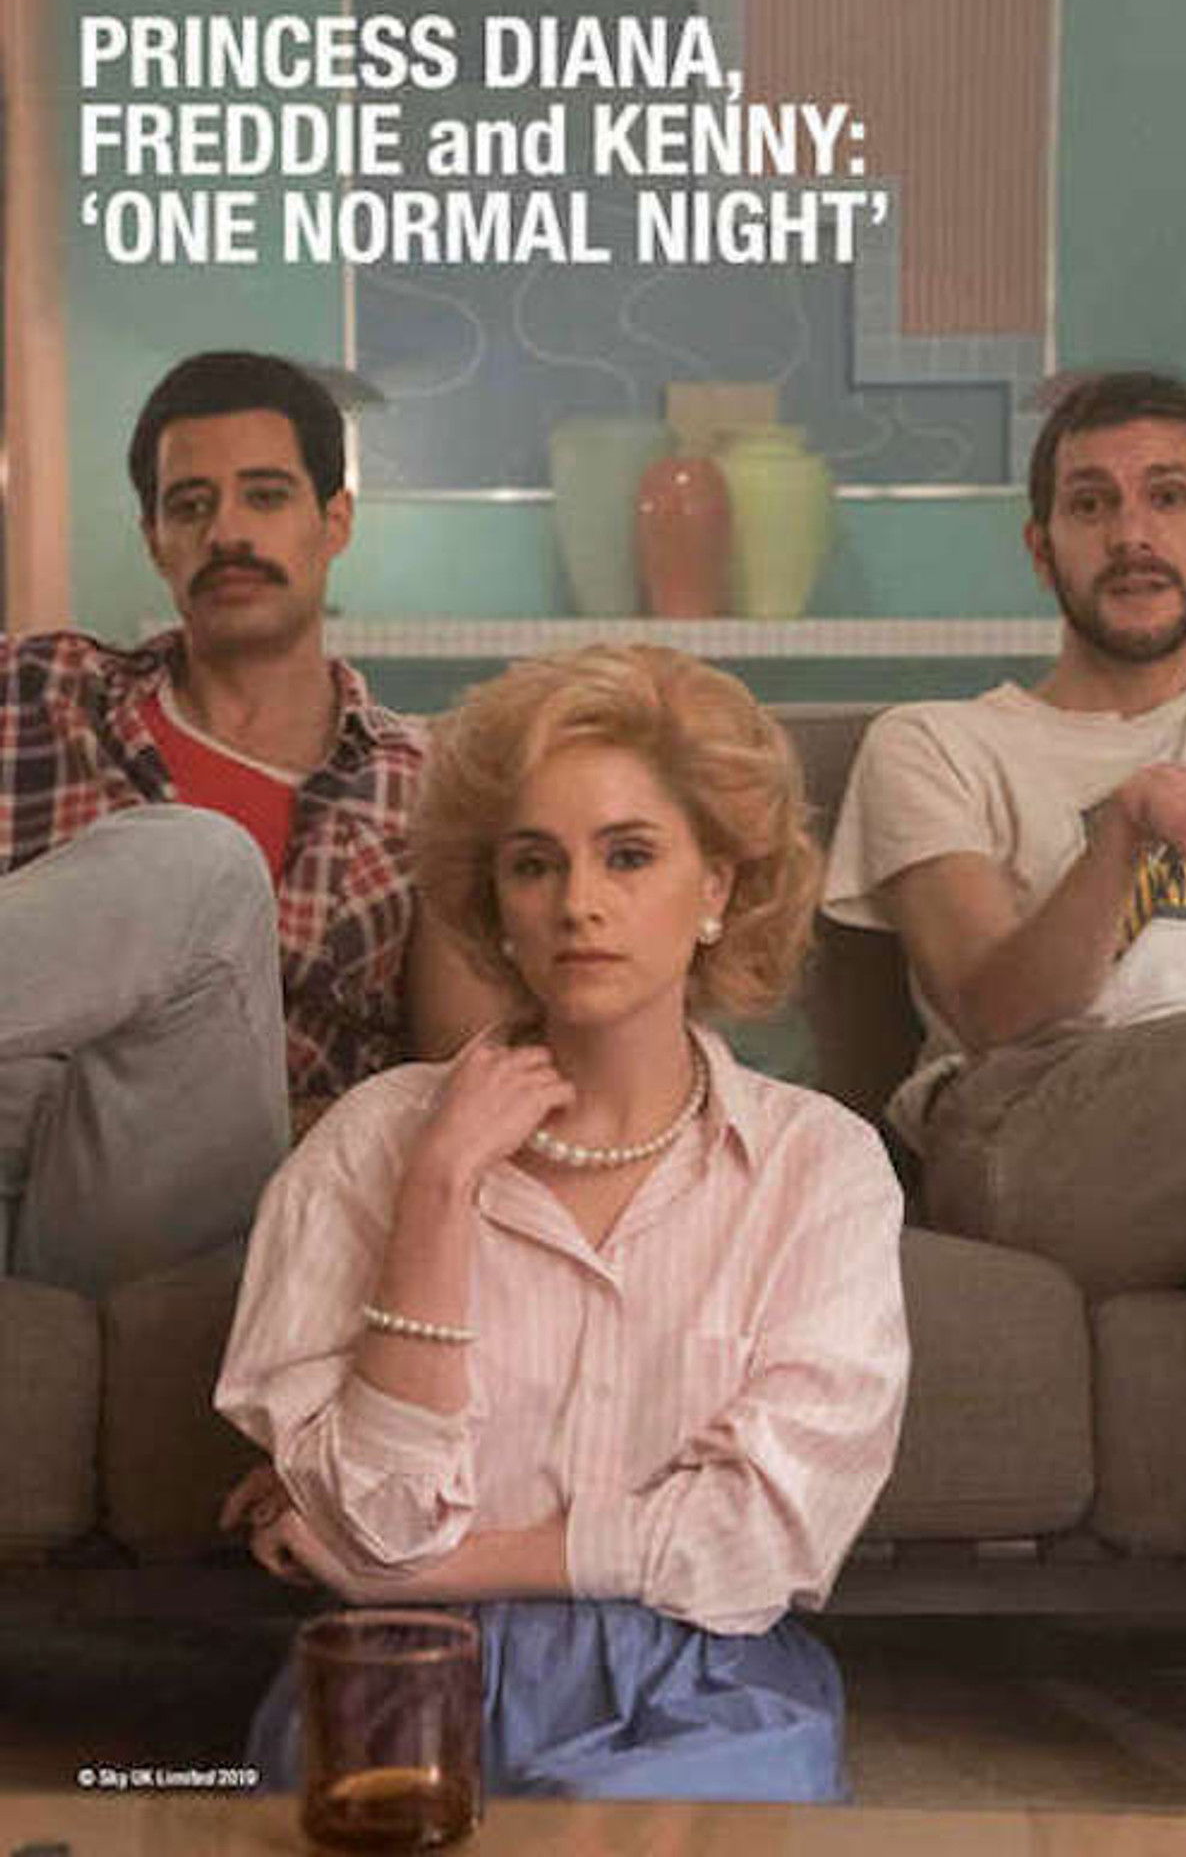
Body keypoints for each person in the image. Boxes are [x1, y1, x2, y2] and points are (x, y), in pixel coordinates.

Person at [216, 643, 909, 1801]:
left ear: (717, 887)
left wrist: (427, 1572)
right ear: (496, 902)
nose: (578, 902)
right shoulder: (374, 1144)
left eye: (628, 854)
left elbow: (760, 1539)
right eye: (533, 864)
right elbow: (376, 1524)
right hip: (399, 1677)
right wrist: (439, 1188)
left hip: (704, 1688)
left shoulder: (818, 1164)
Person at [1, 350, 490, 1294]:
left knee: (199, 868)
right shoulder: (41, 694)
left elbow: (460, 1081)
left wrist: (293, 1123)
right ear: (155, 538)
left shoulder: (426, 786)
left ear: (333, 521)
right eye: (190, 505)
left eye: (264, 496)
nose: (225, 531)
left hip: (196, 1202)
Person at [825, 368, 1186, 1315]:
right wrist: (1132, 819)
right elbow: (996, 1012)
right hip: (1034, 1127)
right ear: (1042, 549)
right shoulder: (936, 744)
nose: (1132, 535)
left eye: (1167, 497)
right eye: (1091, 504)